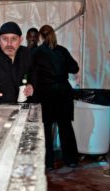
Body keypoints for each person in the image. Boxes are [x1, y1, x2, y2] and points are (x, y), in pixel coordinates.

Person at [32, 25, 79, 170]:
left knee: (45, 128)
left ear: (40, 36)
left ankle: (48, 162)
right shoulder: (62, 51)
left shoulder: (36, 53)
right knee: (65, 127)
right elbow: (74, 68)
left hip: (46, 94)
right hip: (63, 93)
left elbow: (31, 73)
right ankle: (71, 160)